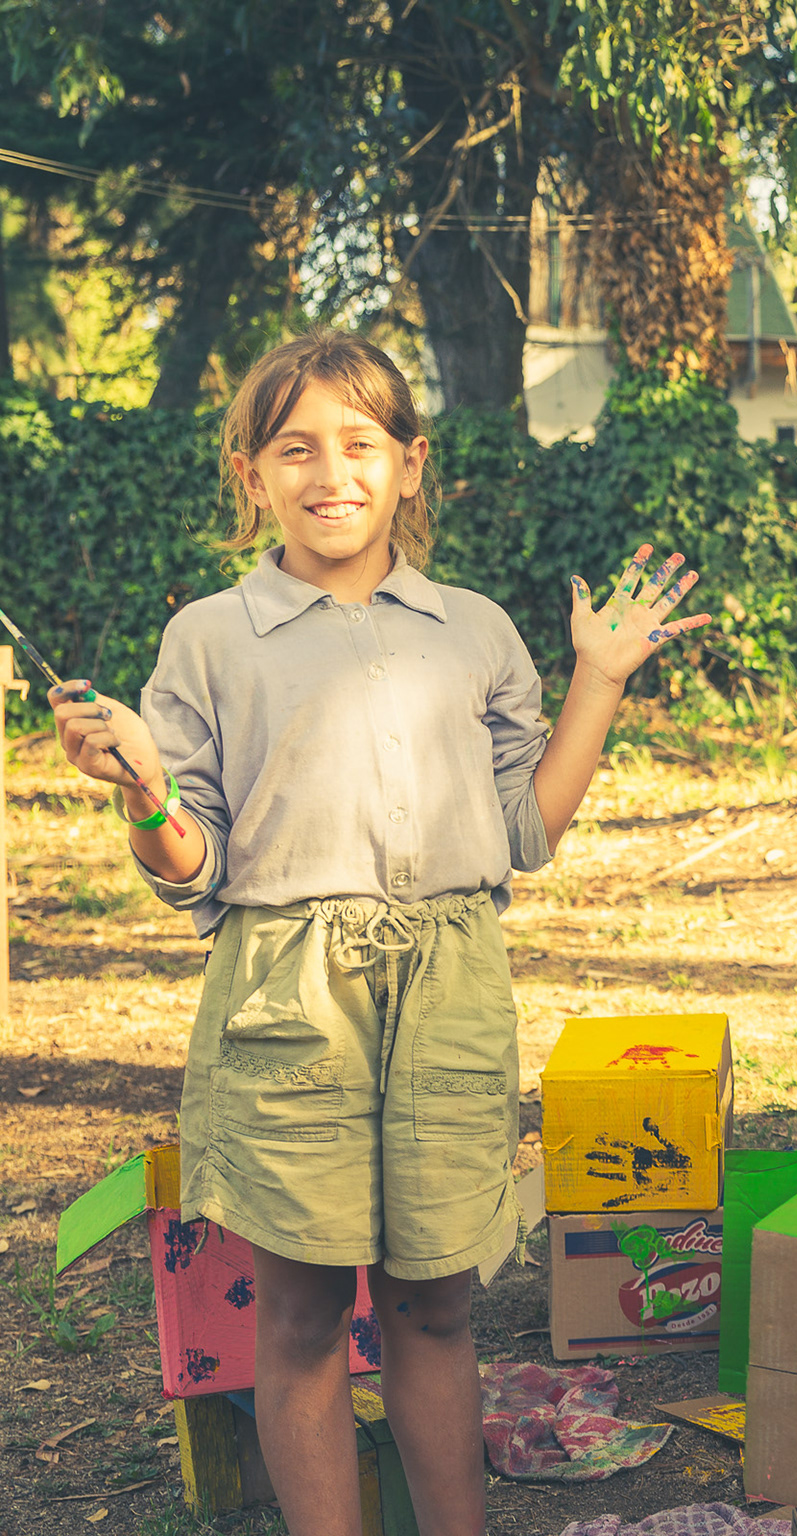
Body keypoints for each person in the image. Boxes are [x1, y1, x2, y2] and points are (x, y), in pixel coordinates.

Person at [48, 330, 712, 1535]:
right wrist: (142, 792)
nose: (329, 473)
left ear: (410, 464)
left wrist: (597, 681)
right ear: (251, 474)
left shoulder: (475, 630)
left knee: (435, 1306)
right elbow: (184, 860)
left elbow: (525, 830)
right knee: (301, 1317)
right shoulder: (207, 638)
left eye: (359, 444)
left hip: (452, 983)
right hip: (288, 997)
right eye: (294, 447)